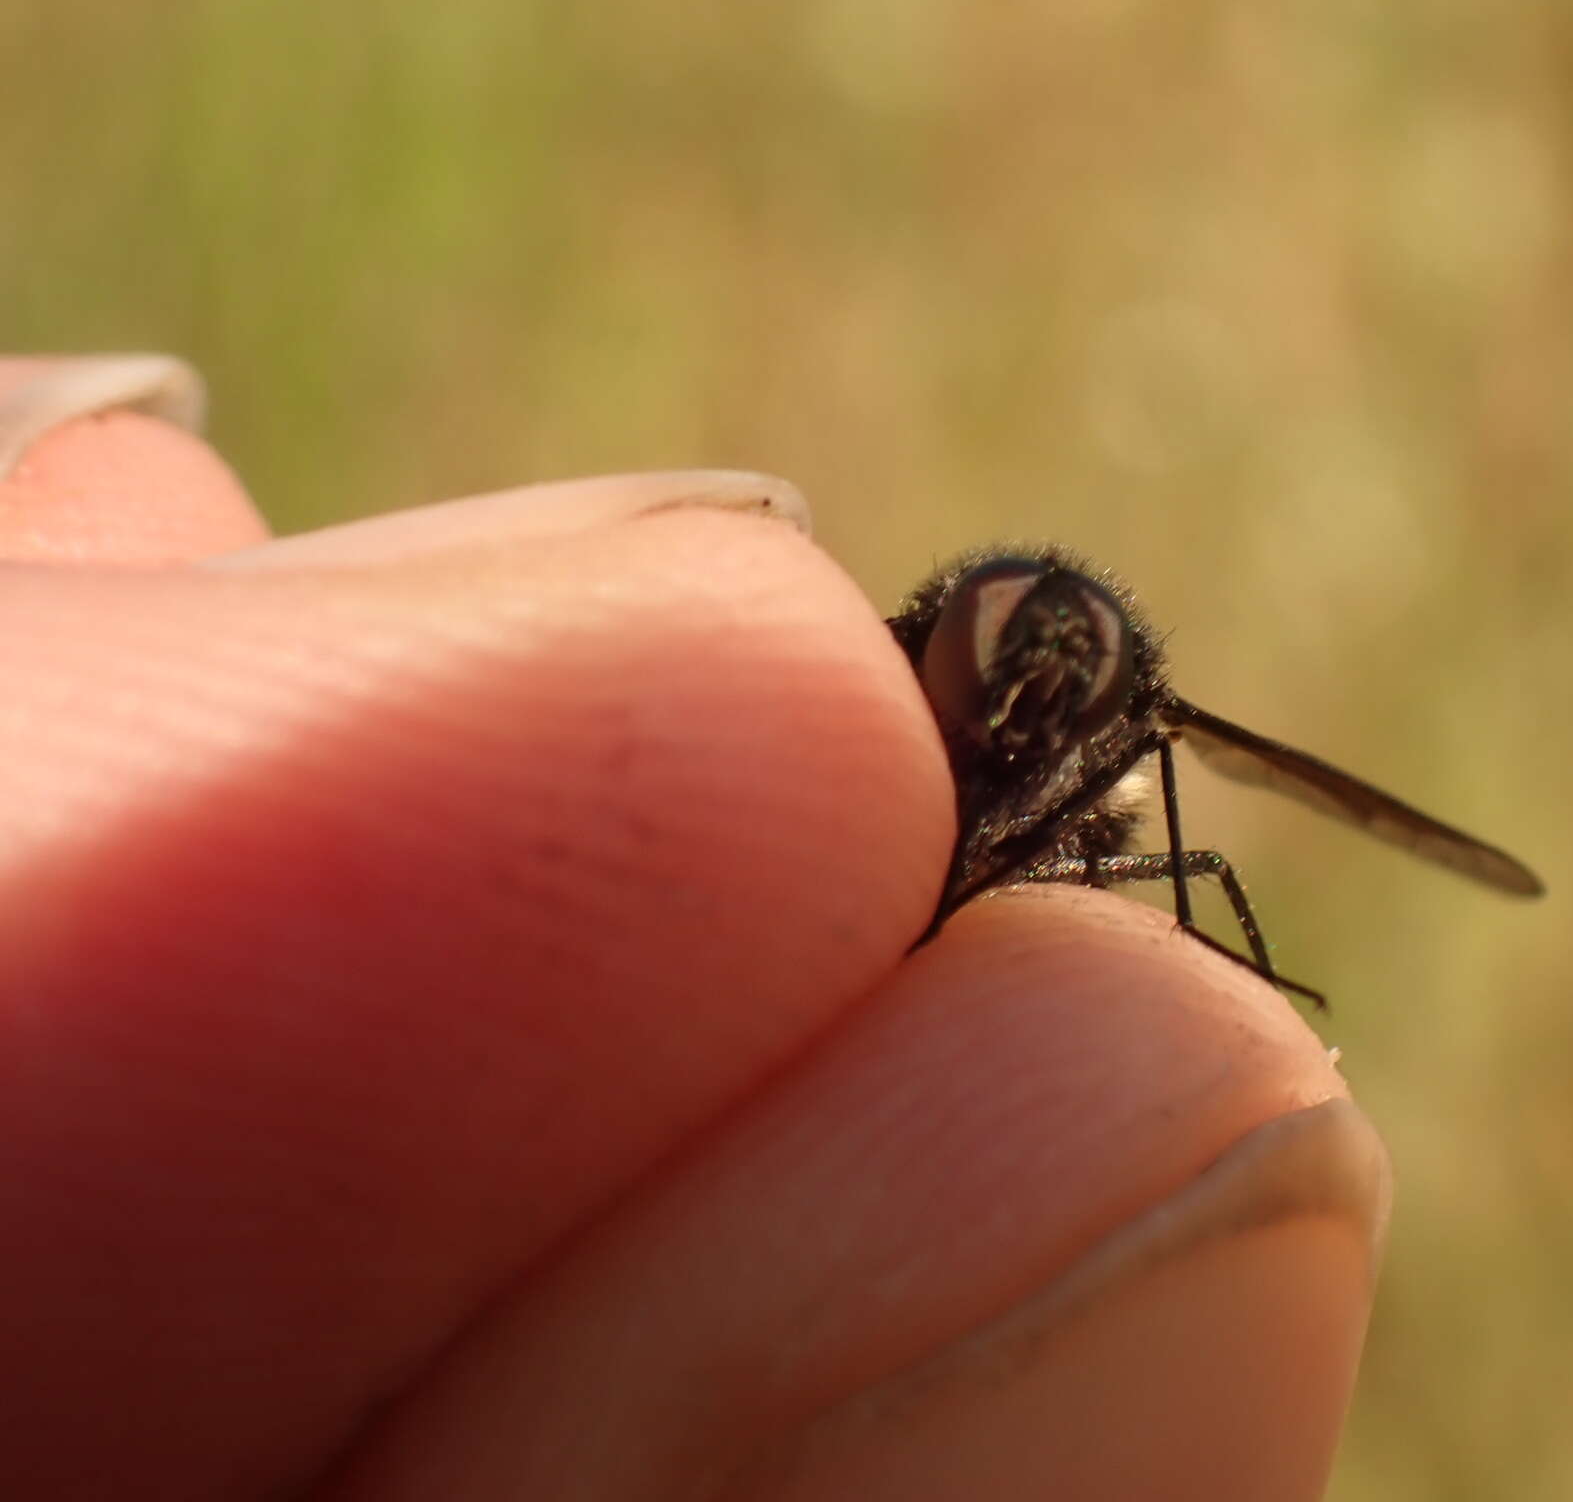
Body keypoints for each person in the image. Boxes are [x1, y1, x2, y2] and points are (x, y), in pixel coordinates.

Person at [0, 355, 1386, 1500]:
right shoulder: (887, 693)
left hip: (1046, 950)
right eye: (1001, 665)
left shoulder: (1103, 753)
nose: (1022, 707)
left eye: (1057, 693)